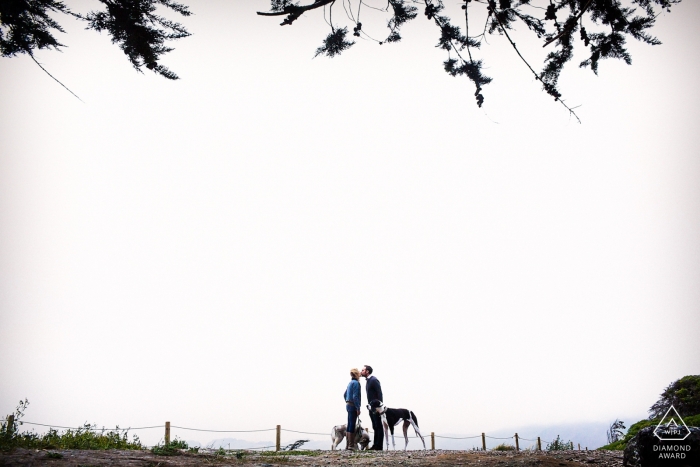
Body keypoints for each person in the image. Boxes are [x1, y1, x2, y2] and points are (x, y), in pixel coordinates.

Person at [361, 365, 384, 450]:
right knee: (375, 426)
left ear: (367, 371)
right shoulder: (368, 381)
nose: (361, 371)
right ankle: (375, 445)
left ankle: (379, 446)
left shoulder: (374, 380)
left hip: (376, 407)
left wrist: (379, 407)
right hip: (371, 407)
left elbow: (379, 394)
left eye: (363, 370)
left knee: (378, 426)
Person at [344, 368, 362, 450]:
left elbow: (344, 394)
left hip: (348, 404)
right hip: (353, 405)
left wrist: (347, 401)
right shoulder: (356, 383)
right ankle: (351, 445)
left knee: (349, 423)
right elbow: (355, 396)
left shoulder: (350, 383)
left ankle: (348, 445)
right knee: (352, 424)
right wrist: (358, 408)